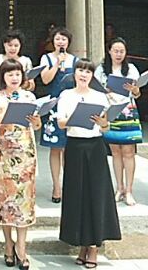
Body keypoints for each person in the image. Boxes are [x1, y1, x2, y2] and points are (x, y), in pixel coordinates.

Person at [56, 59, 121, 268]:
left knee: (96, 194)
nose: (83, 74)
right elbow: (60, 123)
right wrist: (75, 118)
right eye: (80, 70)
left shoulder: (99, 97)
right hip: (75, 146)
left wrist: (103, 123)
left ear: (92, 76)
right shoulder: (66, 95)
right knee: (78, 194)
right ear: (74, 73)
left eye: (87, 72)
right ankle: (82, 244)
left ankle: (94, 246)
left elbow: (105, 127)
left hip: (95, 147)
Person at [0, 60, 40, 270]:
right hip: (4, 156)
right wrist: (4, 111)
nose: (14, 78)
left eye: (17, 74)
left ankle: (22, 249)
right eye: (10, 74)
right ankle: (8, 245)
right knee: (6, 201)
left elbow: (37, 125)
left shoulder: (29, 97)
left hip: (25, 154)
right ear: (3, 77)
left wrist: (35, 121)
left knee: (24, 201)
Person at [94, 37, 143, 206]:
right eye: (115, 51)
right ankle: (119, 188)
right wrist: (104, 92)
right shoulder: (101, 70)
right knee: (115, 152)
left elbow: (137, 94)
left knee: (128, 152)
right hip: (109, 111)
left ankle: (129, 190)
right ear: (109, 51)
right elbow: (95, 90)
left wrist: (135, 90)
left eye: (122, 51)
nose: (118, 54)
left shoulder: (131, 69)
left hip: (128, 111)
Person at [38, 26, 77, 203]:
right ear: (52, 41)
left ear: (68, 42)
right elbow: (45, 79)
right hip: (54, 106)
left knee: (69, 147)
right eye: (58, 39)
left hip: (70, 106)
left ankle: (70, 184)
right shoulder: (46, 58)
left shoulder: (75, 60)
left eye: (64, 39)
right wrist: (57, 63)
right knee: (55, 147)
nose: (61, 42)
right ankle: (56, 186)